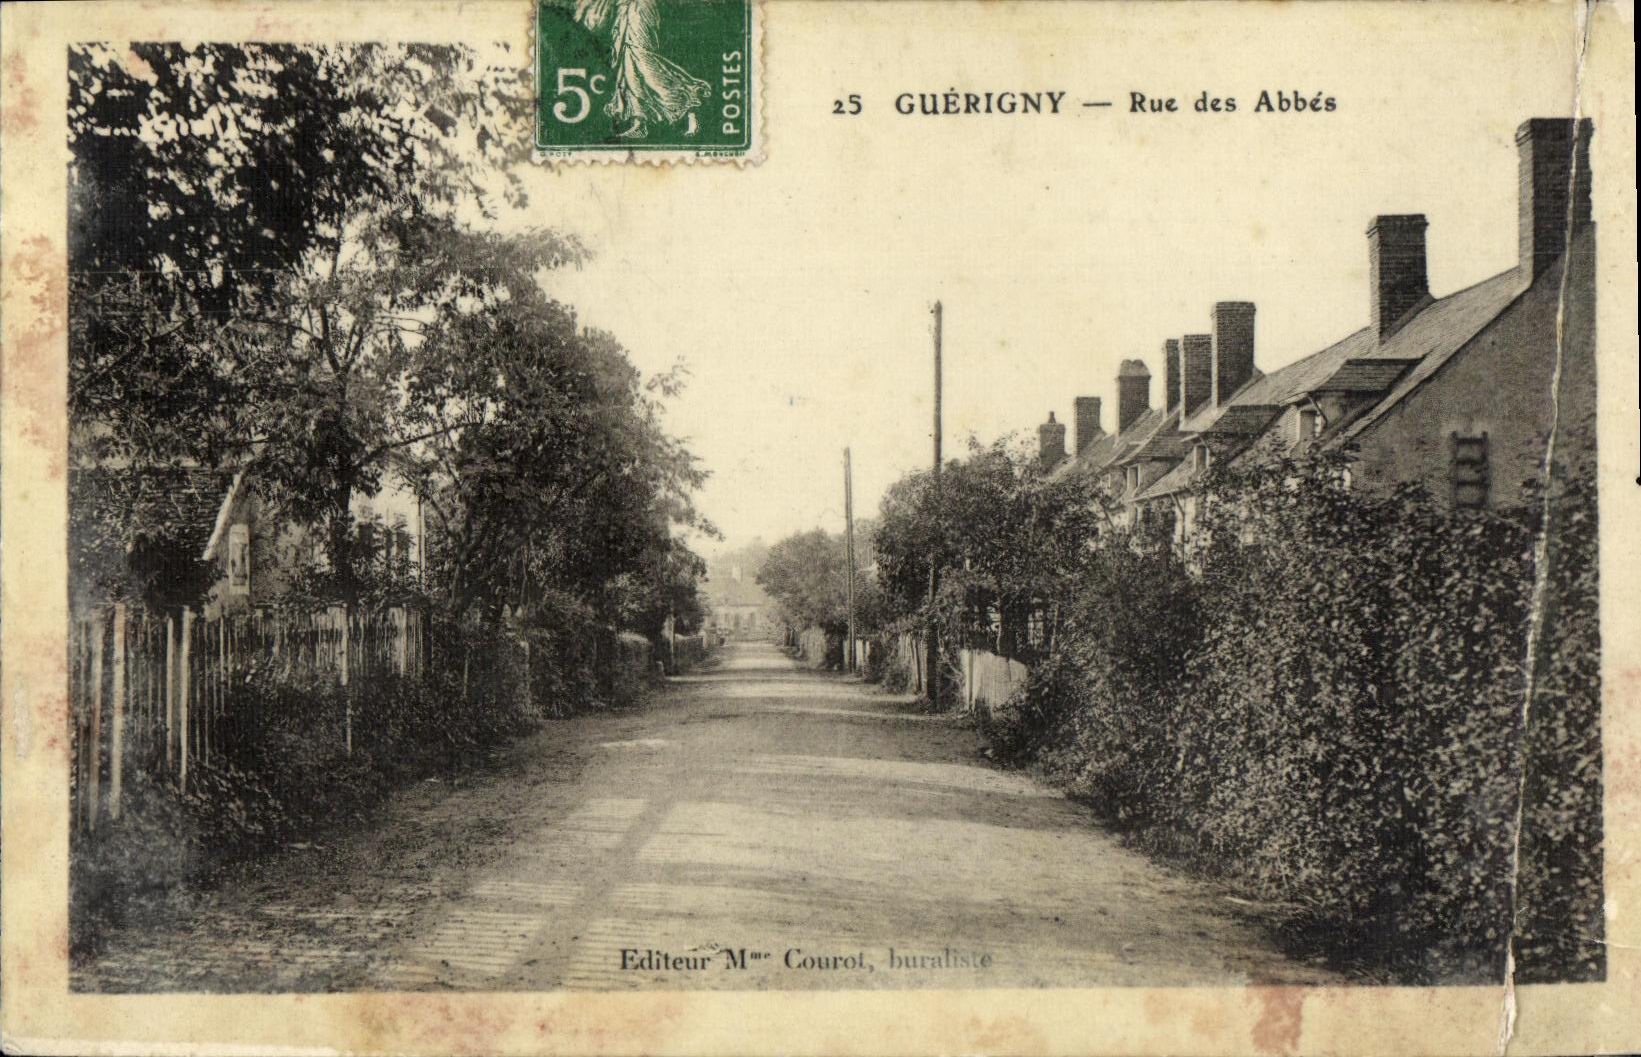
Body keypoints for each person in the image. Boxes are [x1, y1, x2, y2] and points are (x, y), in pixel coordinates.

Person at [574, 0, 710, 139]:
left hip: (640, 9)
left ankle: (690, 107)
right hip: (624, 11)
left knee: (642, 61)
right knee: (626, 66)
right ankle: (638, 122)